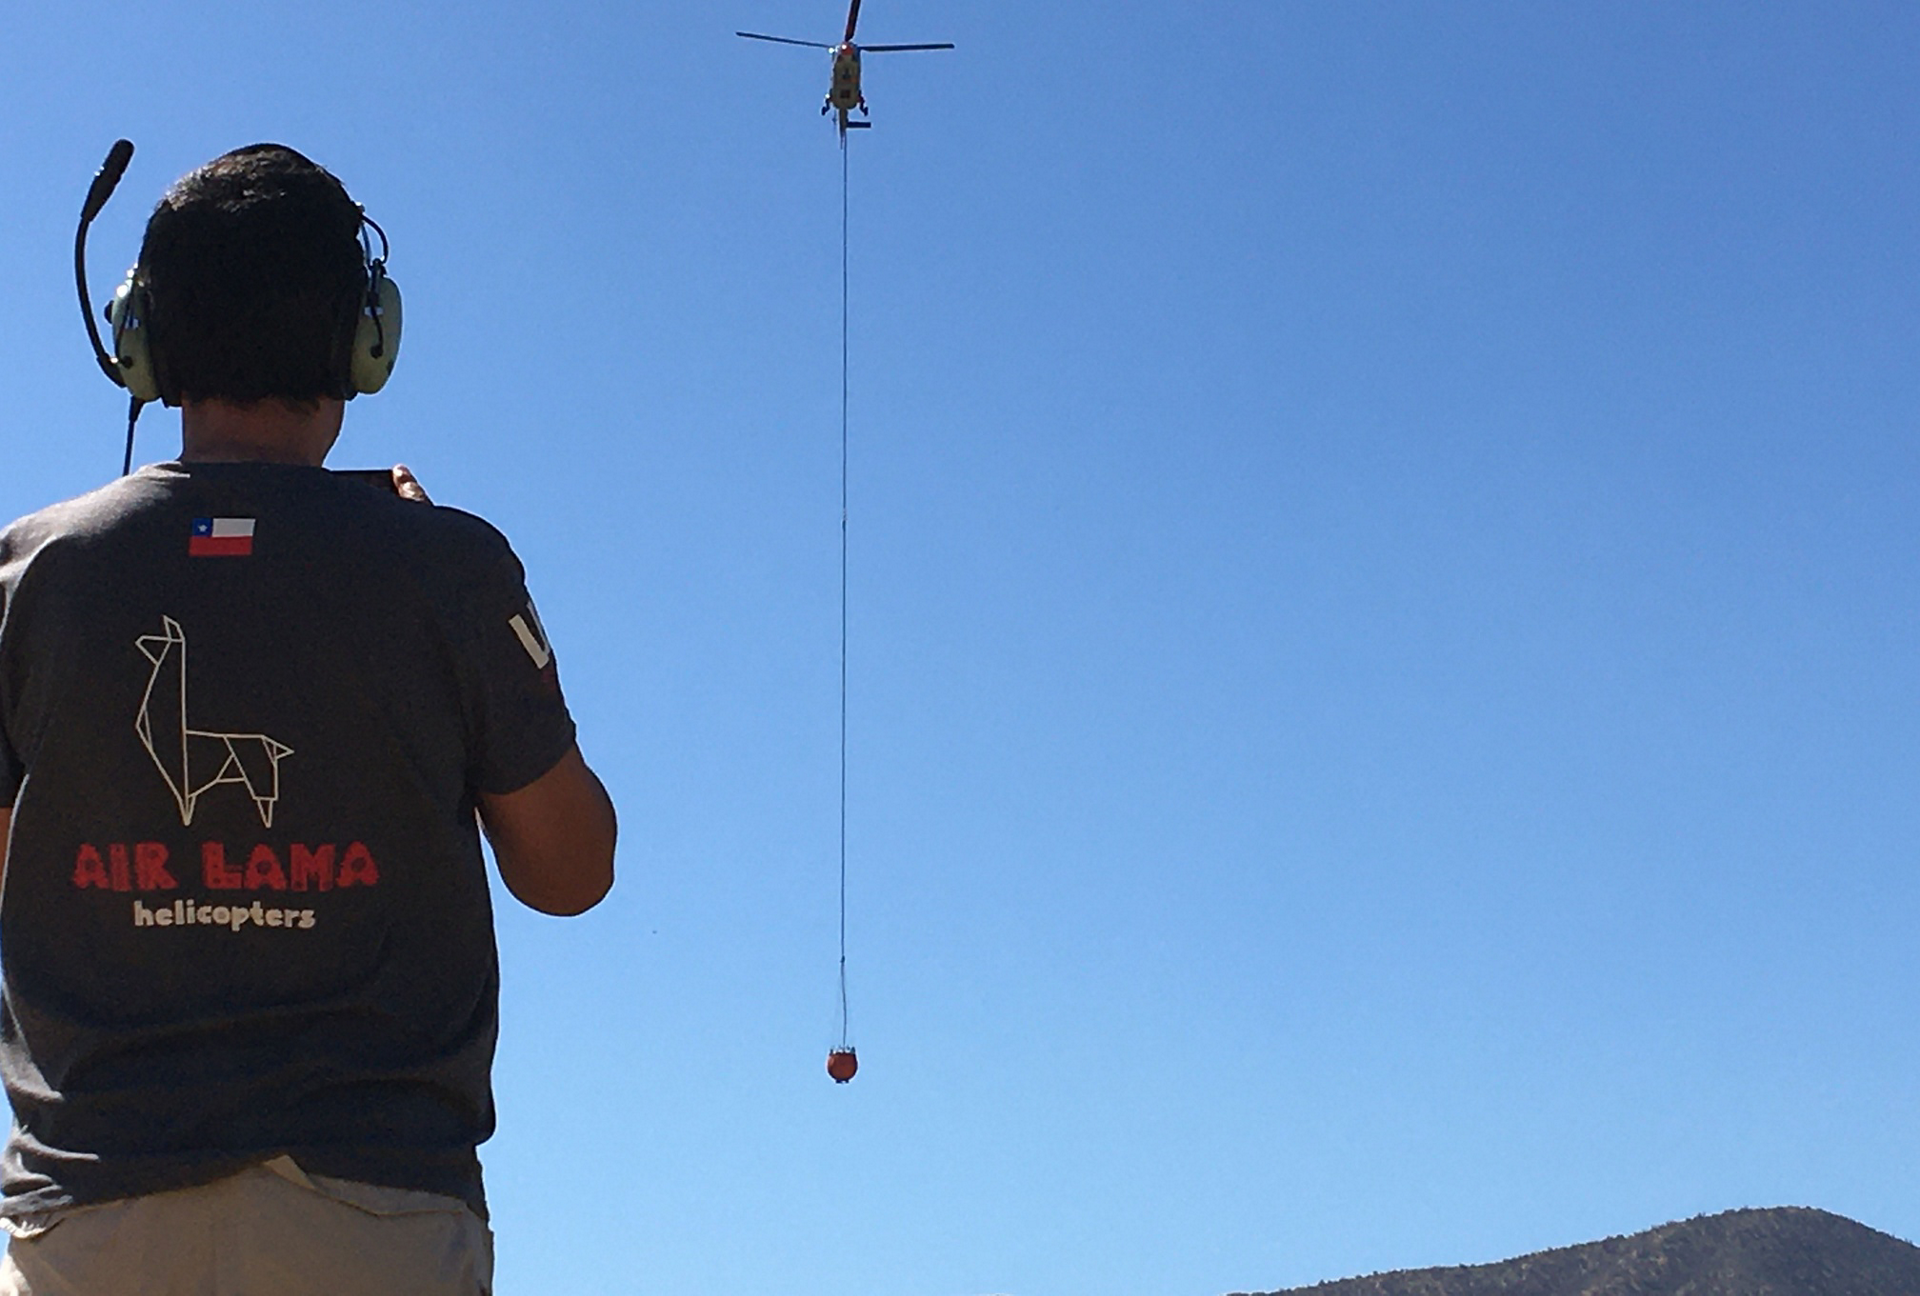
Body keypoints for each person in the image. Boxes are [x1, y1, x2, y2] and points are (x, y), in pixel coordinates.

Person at [0, 144, 616, 1295]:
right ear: (363, 342)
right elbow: (571, 870)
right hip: (375, 1218)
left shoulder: (27, 576)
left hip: (90, 1222)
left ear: (140, 338)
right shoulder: (451, 569)